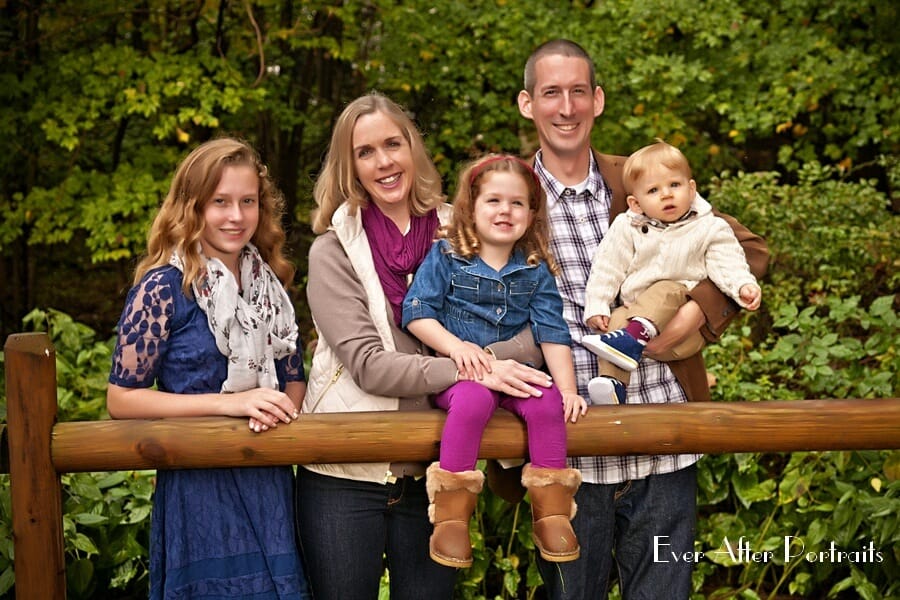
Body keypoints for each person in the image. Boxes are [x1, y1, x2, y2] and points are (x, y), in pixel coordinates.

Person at [516, 39, 770, 599]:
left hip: (664, 436)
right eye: (551, 93)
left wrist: (696, 314)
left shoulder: (642, 178)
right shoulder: (509, 195)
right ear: (527, 104)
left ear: (598, 100)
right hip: (568, 448)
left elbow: (744, 248)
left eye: (578, 92)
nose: (566, 107)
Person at [296, 93, 553, 600]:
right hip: (347, 470)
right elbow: (369, 367)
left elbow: (533, 331)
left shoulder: (467, 229)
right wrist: (472, 368)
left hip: (439, 470)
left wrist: (483, 363)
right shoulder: (332, 250)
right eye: (365, 152)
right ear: (350, 167)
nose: (384, 161)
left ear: (413, 148)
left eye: (394, 143)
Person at [106, 137, 311, 599]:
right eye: (219, 202)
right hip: (198, 486)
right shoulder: (165, 288)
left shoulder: (269, 285)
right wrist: (232, 405)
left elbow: (293, 378)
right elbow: (121, 399)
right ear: (192, 206)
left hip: (269, 480)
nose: (235, 216)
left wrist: (276, 413)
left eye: (247, 202)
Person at [401, 154, 588, 568]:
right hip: (462, 378)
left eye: (517, 203)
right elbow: (416, 311)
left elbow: (551, 331)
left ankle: (552, 512)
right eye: (493, 201)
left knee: (546, 402)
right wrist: (455, 348)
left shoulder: (535, 269)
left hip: (517, 377)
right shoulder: (448, 255)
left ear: (532, 213)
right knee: (473, 403)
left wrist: (569, 389)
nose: (505, 211)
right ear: (470, 207)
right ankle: (451, 520)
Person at [581, 140, 762, 405]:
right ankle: (614, 384)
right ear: (636, 203)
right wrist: (597, 304)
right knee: (616, 320)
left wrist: (742, 286)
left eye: (674, 185)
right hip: (637, 320)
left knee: (667, 288)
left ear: (691, 190)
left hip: (683, 330)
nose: (666, 194)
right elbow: (608, 267)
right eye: (653, 190)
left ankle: (634, 336)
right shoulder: (626, 227)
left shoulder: (709, 227)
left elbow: (728, 261)